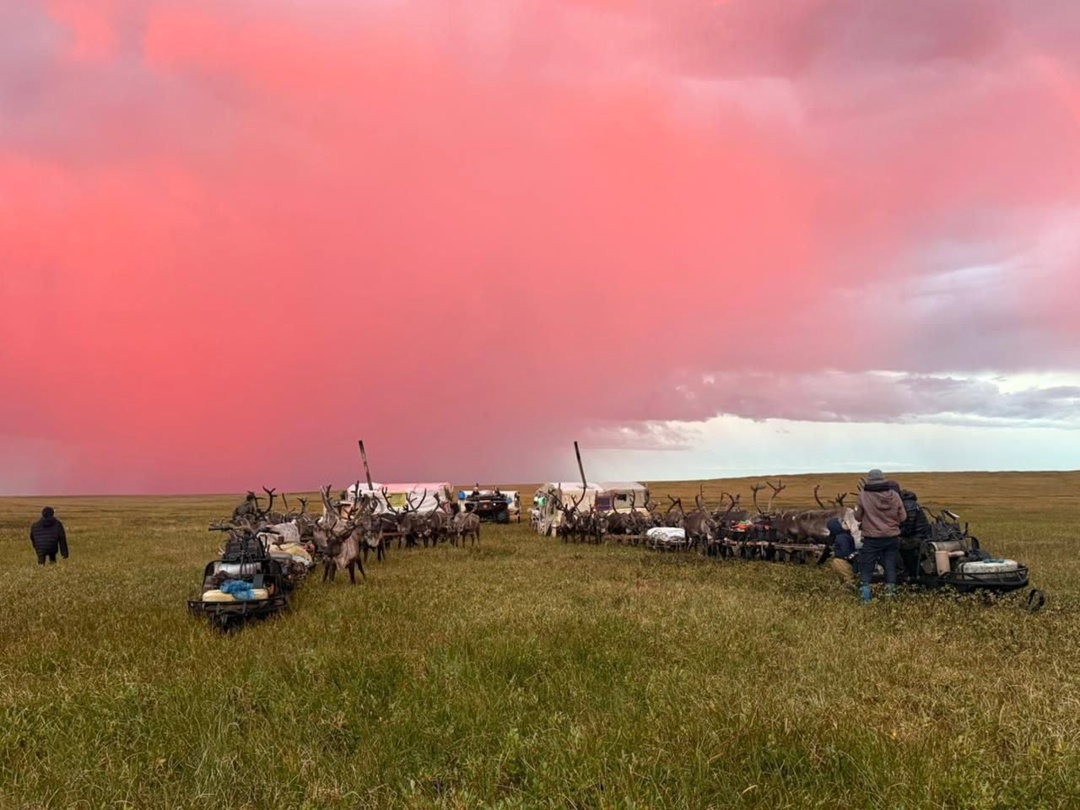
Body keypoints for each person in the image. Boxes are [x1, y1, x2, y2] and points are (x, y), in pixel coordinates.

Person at [853, 469, 906, 603]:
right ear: (883, 479)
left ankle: (865, 598)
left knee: (867, 566)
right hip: (891, 537)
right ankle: (890, 595)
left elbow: (857, 516)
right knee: (890, 565)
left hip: (872, 538)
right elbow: (903, 516)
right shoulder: (894, 495)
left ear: (869, 480)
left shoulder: (864, 496)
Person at [898, 489, 932, 582]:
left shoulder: (907, 505)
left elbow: (908, 529)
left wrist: (894, 532)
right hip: (920, 536)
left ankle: (903, 575)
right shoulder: (911, 503)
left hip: (917, 538)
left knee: (890, 544)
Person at [827, 516, 859, 589]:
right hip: (842, 562)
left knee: (842, 579)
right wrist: (856, 555)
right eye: (844, 523)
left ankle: (841, 591)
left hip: (839, 561)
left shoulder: (842, 536)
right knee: (849, 577)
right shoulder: (843, 537)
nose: (847, 524)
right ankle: (849, 592)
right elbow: (846, 552)